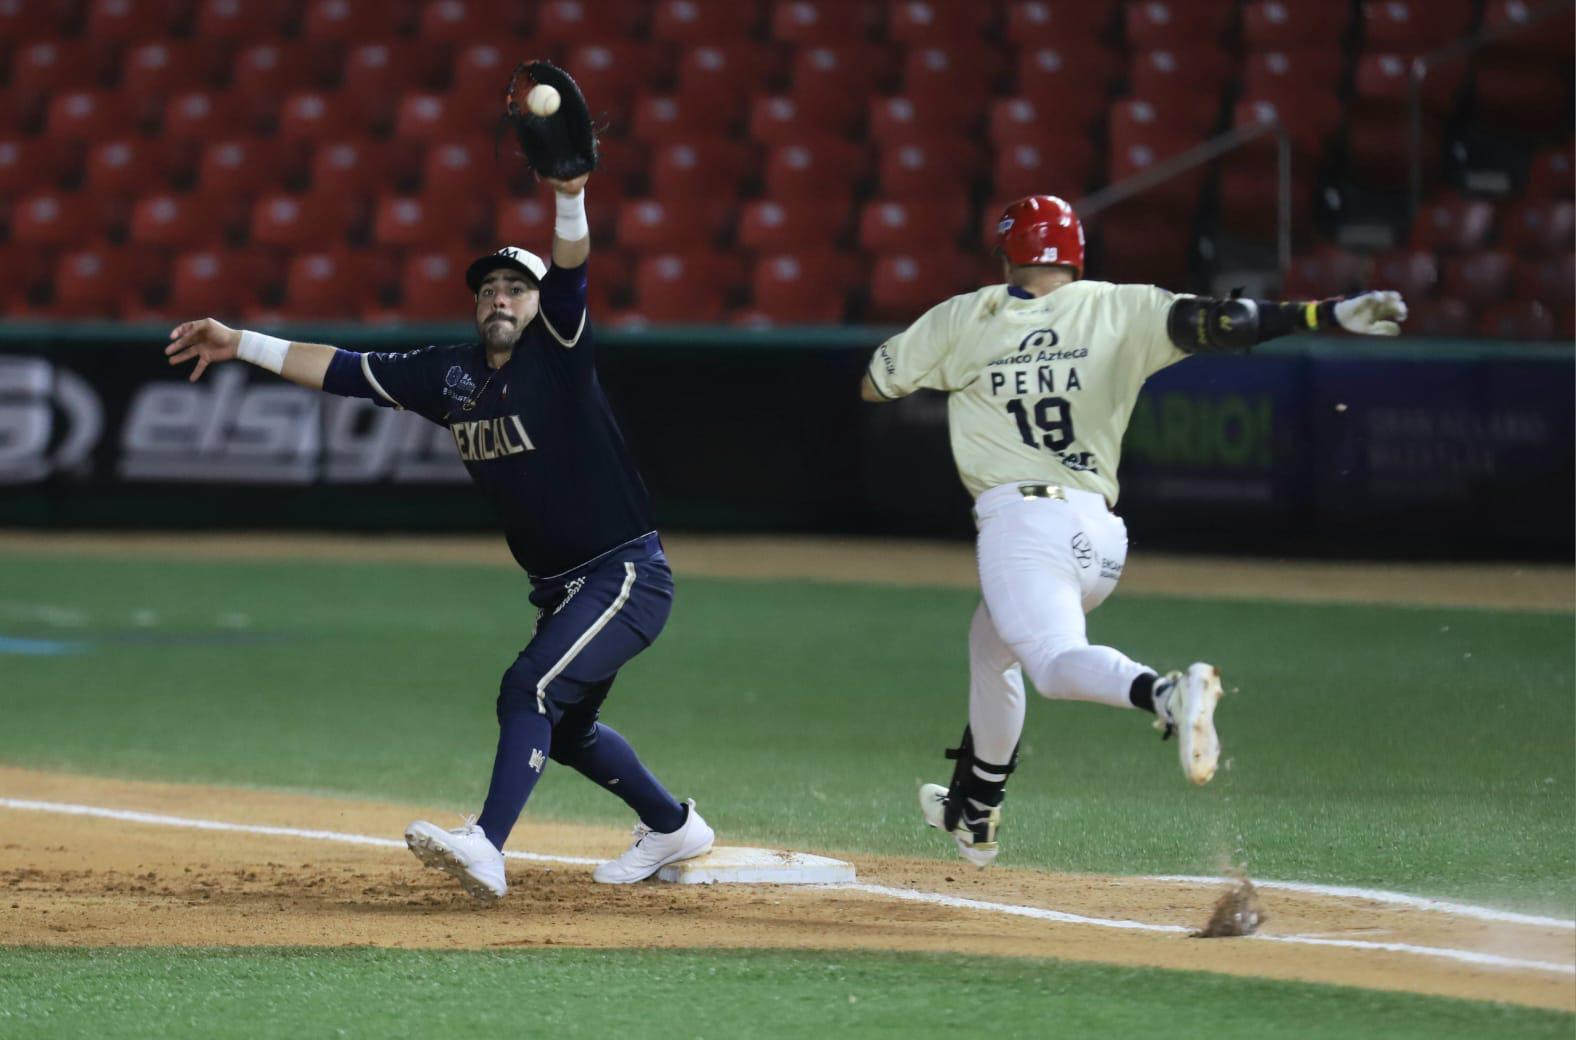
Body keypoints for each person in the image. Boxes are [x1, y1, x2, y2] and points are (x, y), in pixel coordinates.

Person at [163, 174, 714, 899]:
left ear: (540, 305)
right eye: (489, 289)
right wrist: (241, 343)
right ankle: (673, 826)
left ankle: (486, 843)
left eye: (517, 288)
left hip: (625, 574)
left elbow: (575, 264)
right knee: (570, 727)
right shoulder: (450, 374)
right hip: (561, 587)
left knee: (530, 688)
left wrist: (571, 194)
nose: (501, 299)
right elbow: (344, 371)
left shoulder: (559, 354)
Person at [861, 194, 1408, 868]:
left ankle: (1167, 694)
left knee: (1055, 666)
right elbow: (1224, 320)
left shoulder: (966, 316)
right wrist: (1323, 314)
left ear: (1007, 253)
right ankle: (973, 808)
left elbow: (876, 383)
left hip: (1023, 524)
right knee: (991, 648)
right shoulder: (1123, 306)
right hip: (1100, 535)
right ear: (1075, 253)